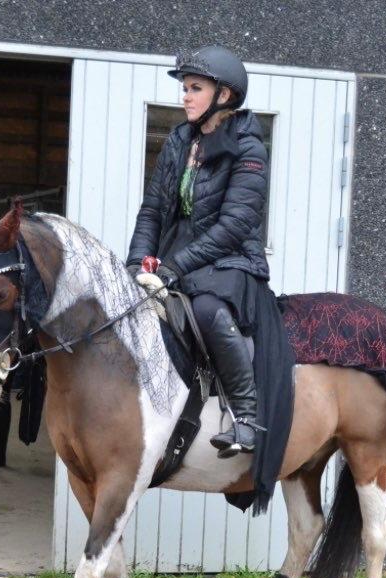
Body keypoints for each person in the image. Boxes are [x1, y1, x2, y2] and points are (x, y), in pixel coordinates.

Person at [126, 45, 281, 460]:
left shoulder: (249, 148)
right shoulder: (178, 140)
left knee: (209, 311)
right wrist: (137, 262)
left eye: (195, 88)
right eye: (185, 88)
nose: (186, 96)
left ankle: (246, 417)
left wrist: (173, 267)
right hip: (178, 260)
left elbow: (234, 227)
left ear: (224, 95)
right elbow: (154, 209)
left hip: (230, 262)